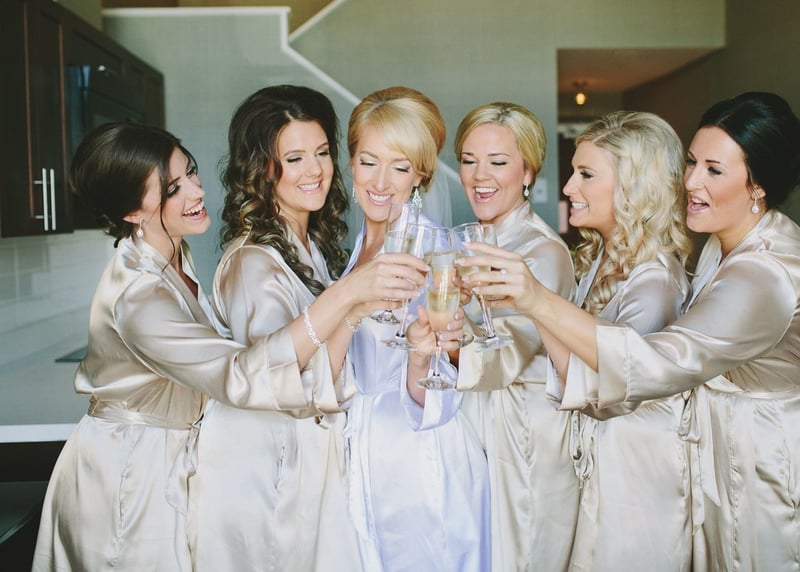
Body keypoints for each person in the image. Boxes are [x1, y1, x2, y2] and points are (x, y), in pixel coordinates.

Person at [31, 121, 409, 571]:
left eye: (190, 172)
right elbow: (238, 374)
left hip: (168, 457)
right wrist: (345, 297)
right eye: (173, 189)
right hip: (128, 471)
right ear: (133, 211)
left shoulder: (170, 253)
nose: (196, 191)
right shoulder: (138, 297)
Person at [460, 91, 800, 571]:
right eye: (691, 163)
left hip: (758, 464)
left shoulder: (765, 274)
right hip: (701, 462)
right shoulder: (718, 248)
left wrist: (536, 300)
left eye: (713, 170)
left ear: (757, 184)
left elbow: (655, 363)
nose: (690, 181)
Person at [186, 85, 430, 571]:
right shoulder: (253, 263)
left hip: (302, 465)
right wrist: (351, 297)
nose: (315, 170)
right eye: (294, 158)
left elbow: (325, 363)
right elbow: (277, 381)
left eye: (321, 152)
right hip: (261, 475)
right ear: (262, 169)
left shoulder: (312, 248)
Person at [342, 86, 490, 571]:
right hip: (366, 448)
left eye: (400, 167)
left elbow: (444, 387)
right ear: (351, 162)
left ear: (421, 175)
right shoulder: (361, 244)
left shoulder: (434, 250)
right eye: (369, 161)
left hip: (418, 457)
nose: (381, 182)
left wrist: (419, 358)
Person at [541, 111, 693, 571]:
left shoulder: (654, 282)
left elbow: (608, 395)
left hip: (637, 487)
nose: (569, 187)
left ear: (633, 187)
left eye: (586, 174)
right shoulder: (599, 259)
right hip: (600, 472)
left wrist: (535, 304)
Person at [452, 101, 577, 571]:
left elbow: (502, 358)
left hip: (523, 446)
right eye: (469, 161)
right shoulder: (467, 242)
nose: (479, 176)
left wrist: (443, 334)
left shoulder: (542, 253)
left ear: (528, 171)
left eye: (498, 162)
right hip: (477, 437)